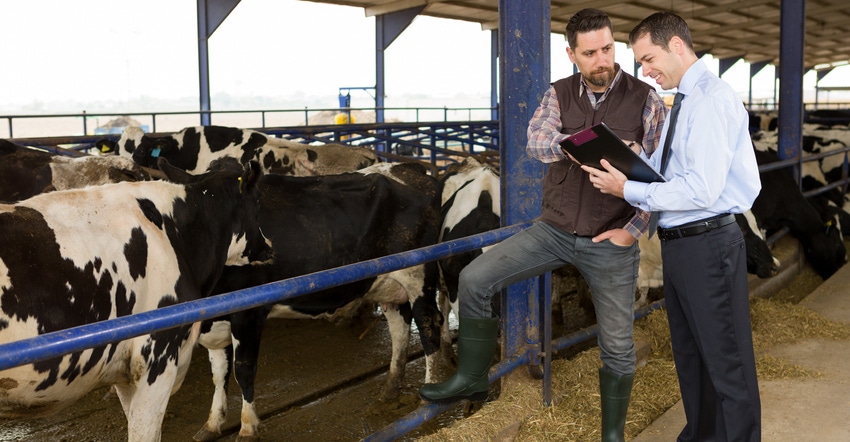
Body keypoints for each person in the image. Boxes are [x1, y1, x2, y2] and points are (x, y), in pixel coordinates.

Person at [418, 8, 667, 442]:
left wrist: (634, 228)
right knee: (475, 279)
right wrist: (570, 144)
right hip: (553, 230)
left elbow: (662, 173)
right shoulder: (558, 94)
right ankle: (473, 377)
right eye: (590, 53)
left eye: (607, 49)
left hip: (610, 236)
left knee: (618, 347)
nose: (602, 60)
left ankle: (612, 435)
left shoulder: (645, 100)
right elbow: (535, 140)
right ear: (572, 54)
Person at [583, 11, 762, 442]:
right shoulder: (680, 100)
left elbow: (700, 189)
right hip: (681, 244)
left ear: (677, 46)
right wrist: (630, 158)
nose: (644, 71)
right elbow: (673, 174)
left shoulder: (710, 100)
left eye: (648, 59)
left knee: (726, 362)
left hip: (709, 242)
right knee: (692, 356)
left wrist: (627, 189)